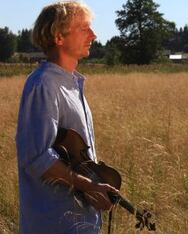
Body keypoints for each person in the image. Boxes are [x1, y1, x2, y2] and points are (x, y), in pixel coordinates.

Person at [15, 1, 118, 233]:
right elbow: (37, 158)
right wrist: (89, 185)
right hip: (55, 223)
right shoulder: (43, 84)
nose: (93, 34)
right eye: (84, 28)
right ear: (58, 37)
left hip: (80, 223)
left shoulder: (71, 84)